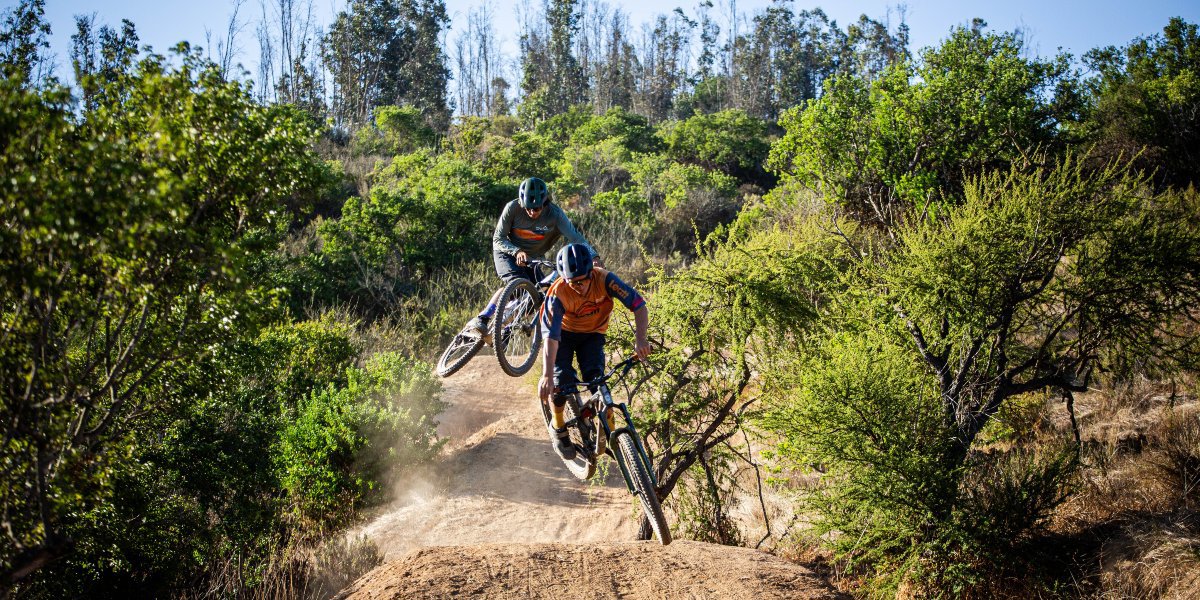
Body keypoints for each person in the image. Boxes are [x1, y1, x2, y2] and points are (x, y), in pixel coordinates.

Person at [538, 243, 651, 460]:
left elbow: (638, 304)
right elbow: (551, 338)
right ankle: (558, 426)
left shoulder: (606, 279)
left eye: (583, 280)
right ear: (564, 279)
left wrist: (641, 340)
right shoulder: (558, 294)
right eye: (573, 282)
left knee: (597, 381)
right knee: (561, 384)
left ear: (592, 272)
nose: (579, 286)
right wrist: (547, 375)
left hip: (593, 334)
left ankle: (616, 437)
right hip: (562, 335)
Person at [470, 177, 601, 332]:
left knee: (538, 297)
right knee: (518, 285)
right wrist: (517, 251)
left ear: (545, 203)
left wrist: (594, 257)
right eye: (528, 208)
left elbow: (576, 238)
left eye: (537, 208)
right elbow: (498, 238)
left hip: (532, 258)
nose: (532, 212)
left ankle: (503, 330)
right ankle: (483, 318)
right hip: (507, 252)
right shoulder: (512, 208)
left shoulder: (555, 215)